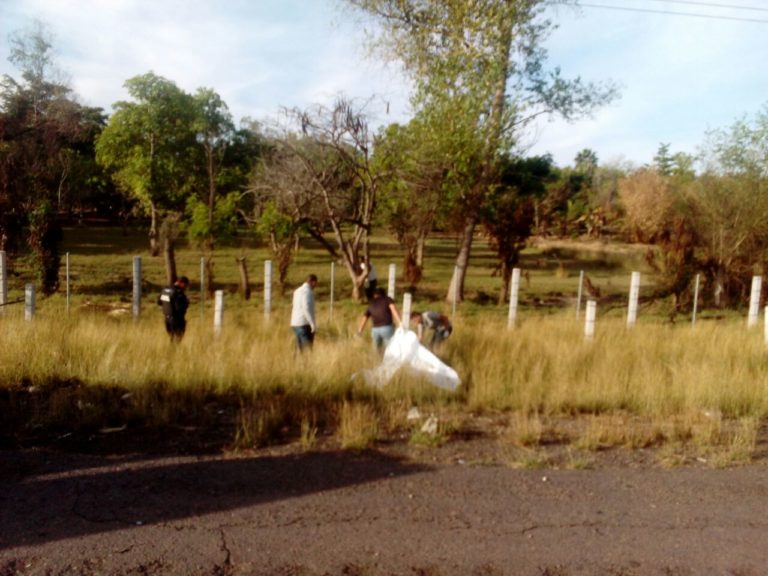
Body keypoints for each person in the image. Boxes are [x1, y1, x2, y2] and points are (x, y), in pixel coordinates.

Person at [357, 287, 401, 354]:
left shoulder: (371, 303)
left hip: (375, 330)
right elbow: (393, 310)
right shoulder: (387, 299)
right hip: (387, 327)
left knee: (376, 351)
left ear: (375, 295)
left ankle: (376, 363)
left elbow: (365, 318)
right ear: (384, 293)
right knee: (390, 349)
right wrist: (400, 323)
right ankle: (390, 363)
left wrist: (360, 330)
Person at [157, 276, 189, 343]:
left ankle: (172, 351)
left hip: (167, 319)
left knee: (172, 337)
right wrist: (186, 303)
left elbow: (159, 302)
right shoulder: (178, 293)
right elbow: (179, 308)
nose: (185, 287)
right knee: (177, 339)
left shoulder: (165, 290)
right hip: (177, 320)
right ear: (181, 283)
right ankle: (175, 352)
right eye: (185, 285)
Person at [291, 274, 318, 352]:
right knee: (307, 349)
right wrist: (312, 324)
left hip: (295, 323)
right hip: (304, 324)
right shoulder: (308, 292)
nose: (315, 286)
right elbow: (306, 308)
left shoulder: (297, 291)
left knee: (298, 348)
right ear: (313, 282)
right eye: (315, 284)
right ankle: (307, 363)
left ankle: (295, 363)